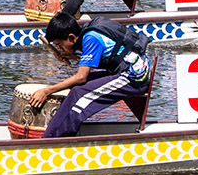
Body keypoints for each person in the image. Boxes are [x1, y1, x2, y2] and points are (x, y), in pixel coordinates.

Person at [20, 10, 157, 137]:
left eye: (60, 44)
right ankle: (58, 131)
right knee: (74, 88)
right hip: (125, 70)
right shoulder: (87, 34)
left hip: (136, 78)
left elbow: (81, 77)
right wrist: (71, 56)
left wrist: (47, 91)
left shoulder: (91, 39)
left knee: (79, 92)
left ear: (72, 37)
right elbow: (100, 57)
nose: (60, 48)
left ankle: (52, 139)